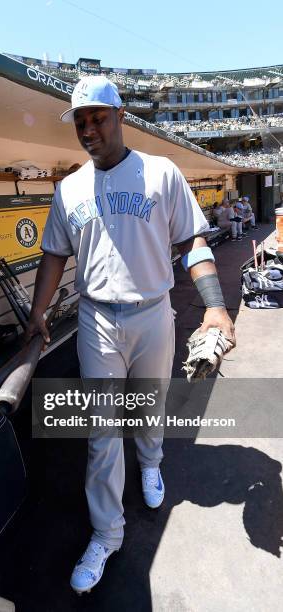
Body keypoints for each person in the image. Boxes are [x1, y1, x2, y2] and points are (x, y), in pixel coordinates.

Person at [25, 76, 235, 594]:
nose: (88, 129)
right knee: (100, 433)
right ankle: (106, 532)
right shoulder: (68, 189)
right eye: (80, 122)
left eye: (97, 117)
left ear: (120, 116)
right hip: (96, 320)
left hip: (152, 311)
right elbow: (54, 254)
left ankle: (151, 463)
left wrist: (215, 308)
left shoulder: (161, 174)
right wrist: (37, 312)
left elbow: (193, 241)